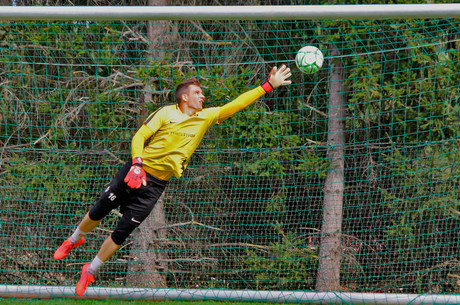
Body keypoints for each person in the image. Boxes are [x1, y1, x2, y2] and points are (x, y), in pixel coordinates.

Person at [53, 65, 292, 296]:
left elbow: (235, 105)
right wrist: (136, 163)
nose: (203, 96)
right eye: (198, 92)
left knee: (122, 231)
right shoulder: (166, 112)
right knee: (99, 210)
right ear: (184, 98)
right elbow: (140, 136)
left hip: (155, 186)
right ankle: (74, 239)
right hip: (137, 170)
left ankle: (90, 270)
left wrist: (268, 85)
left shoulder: (206, 117)